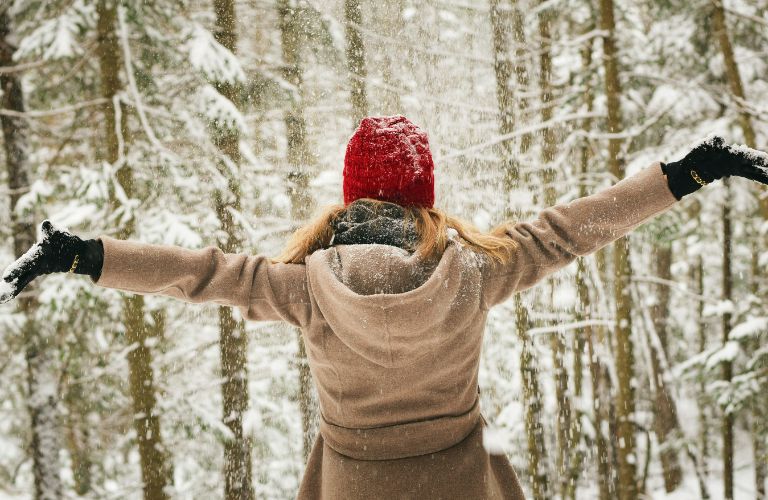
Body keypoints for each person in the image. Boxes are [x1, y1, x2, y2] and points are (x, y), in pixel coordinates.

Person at [2, 115, 768, 499]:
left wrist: (83, 255)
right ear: (424, 196)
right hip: (464, 485)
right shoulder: (475, 270)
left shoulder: (304, 286)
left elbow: (203, 275)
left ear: (351, 194)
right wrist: (689, 171)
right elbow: (573, 230)